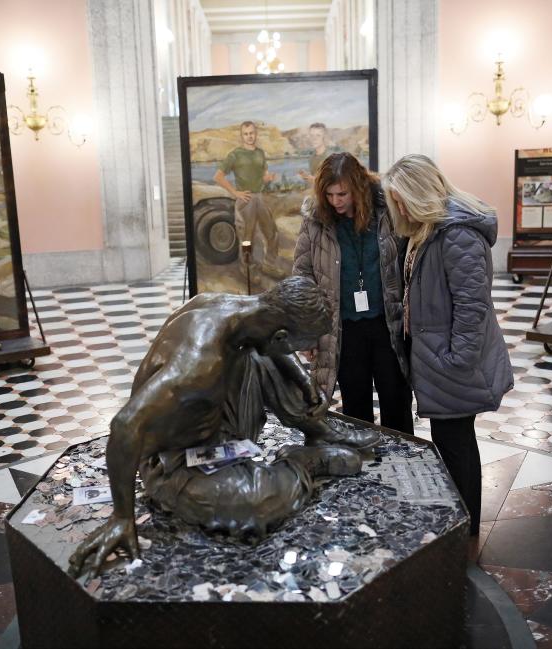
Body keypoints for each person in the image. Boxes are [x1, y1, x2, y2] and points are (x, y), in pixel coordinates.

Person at [68, 276, 378, 580]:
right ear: (282, 336)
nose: (305, 355)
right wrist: (122, 517)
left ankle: (317, 428)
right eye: (303, 347)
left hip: (215, 417)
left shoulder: (231, 309)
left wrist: (301, 377)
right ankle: (304, 462)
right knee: (255, 504)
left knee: (261, 354)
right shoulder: (198, 366)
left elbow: (271, 345)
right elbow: (124, 425)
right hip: (173, 462)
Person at [382, 154, 514, 538]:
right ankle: (459, 522)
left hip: (452, 361)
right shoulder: (426, 230)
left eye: (400, 199)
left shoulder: (456, 233)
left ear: (417, 194)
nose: (398, 209)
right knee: (450, 441)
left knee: (456, 445)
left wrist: (455, 360)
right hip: (437, 356)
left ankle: (466, 530)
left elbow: (472, 306)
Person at [292, 152, 413, 435]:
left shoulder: (386, 210)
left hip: (387, 324)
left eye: (343, 193)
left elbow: (407, 261)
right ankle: (364, 468)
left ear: (358, 187)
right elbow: (302, 275)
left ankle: (405, 467)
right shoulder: (315, 219)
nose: (336, 201)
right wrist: (306, 331)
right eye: (330, 194)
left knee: (396, 400)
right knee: (355, 407)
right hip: (344, 328)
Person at [212, 121, 282, 278]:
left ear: (255, 134)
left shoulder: (260, 153)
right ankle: (246, 268)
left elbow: (263, 176)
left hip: (260, 198)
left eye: (251, 133)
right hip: (246, 200)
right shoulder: (235, 155)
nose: (249, 136)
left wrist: (268, 178)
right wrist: (235, 193)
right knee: (247, 239)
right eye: (246, 134)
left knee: (272, 233)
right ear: (242, 135)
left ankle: (269, 265)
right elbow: (218, 176)